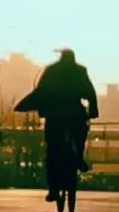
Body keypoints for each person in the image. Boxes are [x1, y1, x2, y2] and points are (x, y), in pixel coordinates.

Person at [15, 48, 99, 202]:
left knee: (53, 151)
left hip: (55, 115)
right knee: (80, 136)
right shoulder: (80, 70)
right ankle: (78, 158)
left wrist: (32, 105)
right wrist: (93, 110)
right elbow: (90, 91)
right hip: (75, 113)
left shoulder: (52, 70)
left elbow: (40, 91)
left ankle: (53, 189)